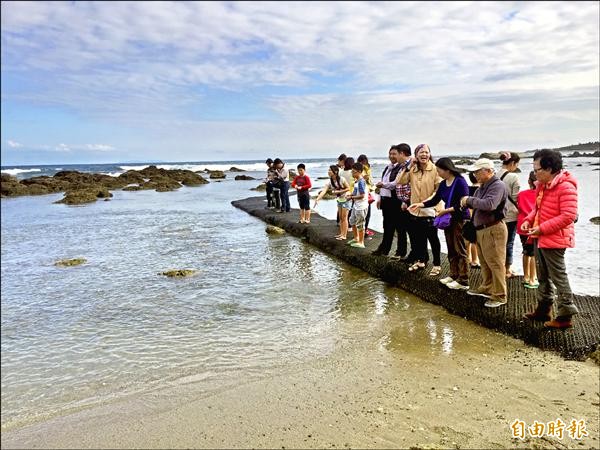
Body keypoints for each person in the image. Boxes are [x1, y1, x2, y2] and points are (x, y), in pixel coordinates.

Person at [521, 149, 579, 329]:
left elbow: (569, 215)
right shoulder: (543, 185)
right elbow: (537, 210)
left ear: (550, 169)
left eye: (537, 169)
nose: (535, 173)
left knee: (558, 276)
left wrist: (542, 228)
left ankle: (565, 315)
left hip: (555, 238)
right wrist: (528, 220)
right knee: (542, 275)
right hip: (541, 236)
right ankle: (544, 309)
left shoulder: (566, 186)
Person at [410, 158, 470, 290]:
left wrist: (445, 211)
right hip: (448, 219)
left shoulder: (460, 182)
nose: (438, 173)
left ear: (447, 169)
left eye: (439, 170)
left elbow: (464, 204)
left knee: (460, 249)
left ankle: (463, 279)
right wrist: (420, 204)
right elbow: (435, 199)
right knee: (451, 248)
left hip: (459, 219)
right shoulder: (443, 184)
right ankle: (454, 275)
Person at [460, 159, 508, 308]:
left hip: (493, 229)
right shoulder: (484, 186)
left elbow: (489, 204)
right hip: (483, 229)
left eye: (477, 171)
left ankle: (500, 295)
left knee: (495, 262)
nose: (474, 174)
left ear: (487, 171)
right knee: (485, 261)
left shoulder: (498, 185)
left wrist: (469, 199)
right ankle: (487, 287)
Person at [397, 144, 442, 276]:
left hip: (431, 209)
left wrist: (426, 203)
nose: (424, 155)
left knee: (433, 238)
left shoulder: (435, 169)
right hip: (415, 210)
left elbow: (437, 191)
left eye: (426, 152)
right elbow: (400, 182)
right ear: (416, 155)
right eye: (421, 152)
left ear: (430, 154)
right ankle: (421, 261)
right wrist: (408, 166)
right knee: (419, 238)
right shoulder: (413, 169)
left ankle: (437, 264)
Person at [372, 145, 406, 257]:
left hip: (396, 201)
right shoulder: (387, 168)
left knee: (400, 227)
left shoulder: (401, 168)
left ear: (400, 154)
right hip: (386, 200)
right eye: (390, 154)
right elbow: (383, 184)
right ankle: (384, 249)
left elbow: (395, 184)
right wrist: (379, 198)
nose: (392, 156)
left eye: (394, 154)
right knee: (387, 226)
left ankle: (400, 252)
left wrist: (383, 185)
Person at [498, 151, 521, 278]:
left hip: (497, 215)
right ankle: (507, 270)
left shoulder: (495, 174)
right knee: (509, 243)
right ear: (512, 163)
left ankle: (498, 268)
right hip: (511, 215)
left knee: (498, 243)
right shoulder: (513, 177)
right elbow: (516, 198)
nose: (516, 167)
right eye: (516, 164)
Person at [313, 165, 350, 239]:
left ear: (335, 172)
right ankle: (341, 233)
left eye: (330, 170)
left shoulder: (342, 179)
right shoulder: (330, 181)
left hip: (346, 200)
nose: (328, 171)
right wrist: (317, 199)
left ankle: (344, 235)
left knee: (344, 217)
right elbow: (324, 191)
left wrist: (338, 191)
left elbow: (348, 188)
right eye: (328, 170)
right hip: (339, 200)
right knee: (341, 218)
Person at [517, 171, 538, 288]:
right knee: (534, 253)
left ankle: (525, 276)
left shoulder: (521, 194)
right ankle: (532, 278)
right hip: (535, 226)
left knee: (525, 251)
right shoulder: (541, 194)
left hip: (522, 226)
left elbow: (519, 207)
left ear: (529, 181)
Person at [346, 162, 368, 248]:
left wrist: (352, 197)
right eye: (352, 171)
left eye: (353, 172)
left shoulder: (361, 182)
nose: (352, 173)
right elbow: (355, 193)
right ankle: (356, 238)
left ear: (359, 172)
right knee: (352, 221)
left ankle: (361, 242)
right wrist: (351, 196)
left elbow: (362, 196)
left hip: (361, 206)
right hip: (356, 205)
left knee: (360, 224)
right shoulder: (356, 181)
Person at [357, 154, 375, 238]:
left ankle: (365, 230)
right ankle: (362, 232)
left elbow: (371, 182)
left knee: (366, 214)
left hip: (367, 194)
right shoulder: (358, 171)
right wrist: (364, 179)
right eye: (362, 162)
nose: (363, 164)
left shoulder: (368, 170)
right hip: (362, 195)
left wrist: (368, 181)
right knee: (363, 214)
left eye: (364, 162)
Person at [466, 172, 480, 268]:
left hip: (467, 215)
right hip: (476, 216)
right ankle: (475, 260)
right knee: (474, 241)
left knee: (467, 239)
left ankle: (468, 258)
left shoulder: (468, 188)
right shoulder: (480, 190)